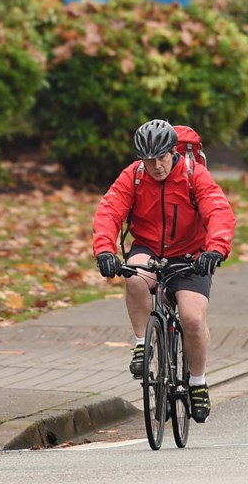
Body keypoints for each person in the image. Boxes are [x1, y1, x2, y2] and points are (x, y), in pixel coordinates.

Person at [92, 119, 235, 424]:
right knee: (134, 277)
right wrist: (104, 250)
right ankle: (143, 344)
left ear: (174, 152)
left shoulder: (195, 175)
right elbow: (110, 210)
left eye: (161, 157)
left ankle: (197, 383)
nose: (155, 165)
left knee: (192, 318)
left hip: (191, 254)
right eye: (148, 159)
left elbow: (218, 210)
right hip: (148, 247)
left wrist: (215, 250)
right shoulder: (134, 177)